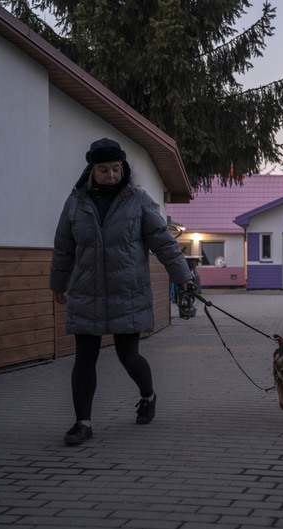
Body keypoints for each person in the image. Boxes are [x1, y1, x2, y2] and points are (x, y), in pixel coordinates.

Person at [50, 138, 194, 446]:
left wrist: (183, 277)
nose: (112, 176)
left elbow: (163, 241)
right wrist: (59, 285)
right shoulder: (75, 203)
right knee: (84, 359)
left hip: (127, 292)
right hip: (86, 291)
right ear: (92, 170)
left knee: (128, 356)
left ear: (123, 168)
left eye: (116, 169)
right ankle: (82, 423)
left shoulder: (138, 200)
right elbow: (64, 248)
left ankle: (148, 395)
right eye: (104, 170)